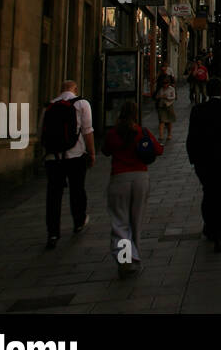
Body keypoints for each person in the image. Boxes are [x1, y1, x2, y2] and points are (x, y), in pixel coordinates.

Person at [101, 100, 162, 278]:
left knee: (120, 223)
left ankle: (126, 261)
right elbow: (158, 150)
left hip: (120, 178)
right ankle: (134, 259)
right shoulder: (142, 132)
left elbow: (105, 150)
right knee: (136, 222)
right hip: (141, 178)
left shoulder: (114, 133)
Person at [187, 77, 221, 253]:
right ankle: (220, 236)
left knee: (208, 193)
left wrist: (194, 158)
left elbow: (192, 138)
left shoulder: (197, 111)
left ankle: (209, 227)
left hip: (204, 163)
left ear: (206, 92)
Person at [41, 80, 95, 249]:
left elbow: (41, 132)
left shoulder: (49, 106)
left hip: (53, 158)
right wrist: (92, 152)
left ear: (60, 89)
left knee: (53, 196)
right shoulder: (81, 103)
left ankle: (53, 233)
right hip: (75, 154)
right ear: (75, 89)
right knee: (77, 189)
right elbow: (87, 131)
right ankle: (78, 221)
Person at [157, 74, 177, 144]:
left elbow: (173, 97)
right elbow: (157, 96)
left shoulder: (171, 89)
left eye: (166, 83)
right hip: (162, 106)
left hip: (169, 106)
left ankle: (169, 134)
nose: (165, 85)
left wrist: (167, 97)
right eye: (163, 83)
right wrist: (160, 96)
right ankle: (161, 135)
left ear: (168, 83)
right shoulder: (161, 89)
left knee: (169, 121)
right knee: (162, 121)